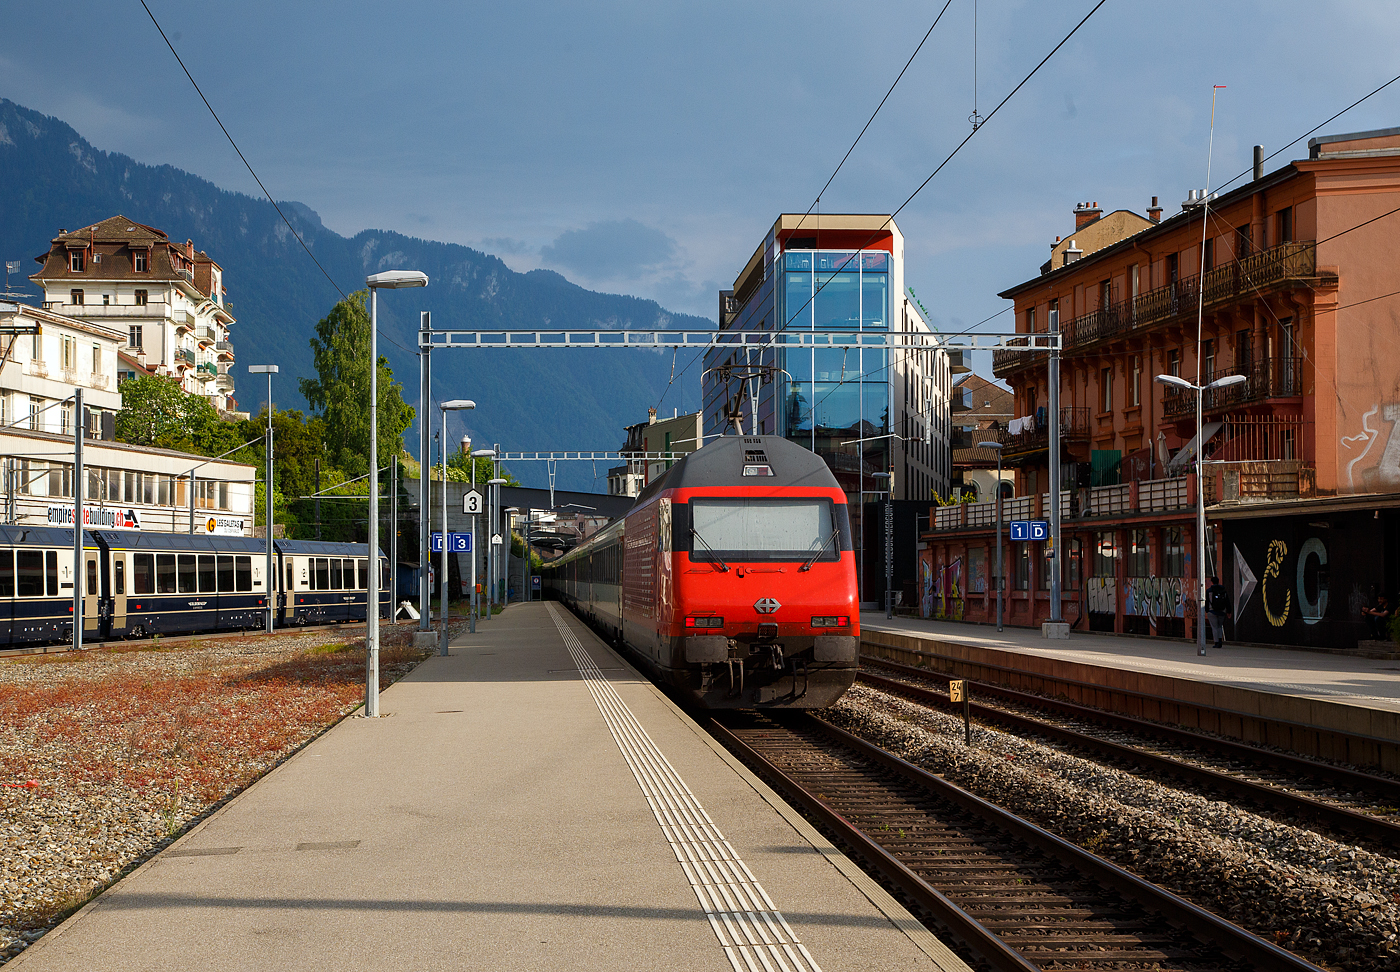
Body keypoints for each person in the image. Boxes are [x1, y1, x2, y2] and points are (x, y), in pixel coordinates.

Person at [1204, 575, 1232, 654]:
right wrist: (1229, 611)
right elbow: (1227, 601)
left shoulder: (1209, 591)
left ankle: (1216, 642)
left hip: (1212, 611)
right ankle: (1220, 641)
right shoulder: (1223, 590)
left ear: (1212, 582)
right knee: (1219, 626)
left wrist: (1207, 610)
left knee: (1214, 627)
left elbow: (1207, 601)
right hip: (1222, 611)